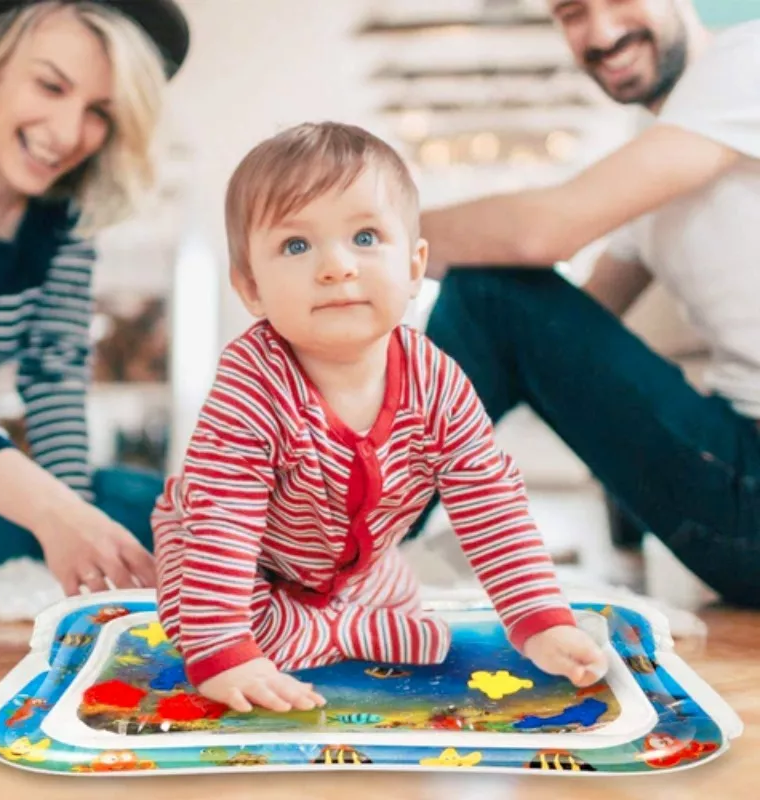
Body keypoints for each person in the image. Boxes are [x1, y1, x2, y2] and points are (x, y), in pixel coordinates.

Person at [152, 121, 608, 714]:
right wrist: (221, 648)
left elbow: (490, 502)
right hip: (233, 556)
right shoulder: (251, 381)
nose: (337, 266)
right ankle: (341, 630)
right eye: (297, 245)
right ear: (251, 288)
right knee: (200, 627)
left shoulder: (437, 381)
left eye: (365, 237)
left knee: (401, 593)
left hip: (352, 569)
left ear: (416, 266)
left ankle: (337, 621)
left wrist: (539, 620)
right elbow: (224, 520)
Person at [413, 0, 760, 607]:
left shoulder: (746, 60)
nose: (600, 32)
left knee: (486, 292)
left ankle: (348, 553)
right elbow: (571, 321)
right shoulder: (655, 141)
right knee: (493, 299)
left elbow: (544, 235)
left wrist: (349, 233)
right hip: (736, 471)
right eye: (572, 13)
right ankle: (350, 536)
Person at [0, 0, 189, 596]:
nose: (67, 134)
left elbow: (54, 375)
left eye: (98, 112)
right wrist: (51, 513)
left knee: (151, 505)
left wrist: (80, 537)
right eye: (50, 85)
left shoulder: (65, 226)